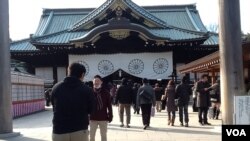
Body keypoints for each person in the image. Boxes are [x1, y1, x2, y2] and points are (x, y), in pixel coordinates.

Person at [51, 62, 96, 141]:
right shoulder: (87, 90)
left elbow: (54, 107)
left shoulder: (56, 87)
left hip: (59, 130)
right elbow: (91, 110)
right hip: (80, 129)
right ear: (82, 75)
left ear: (69, 72)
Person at [89, 75, 113, 141]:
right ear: (92, 82)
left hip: (103, 118)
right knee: (91, 136)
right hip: (92, 118)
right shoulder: (90, 92)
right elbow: (86, 105)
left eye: (98, 81)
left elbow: (109, 106)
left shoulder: (106, 92)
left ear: (101, 82)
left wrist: (110, 116)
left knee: (104, 136)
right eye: (95, 81)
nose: (96, 83)